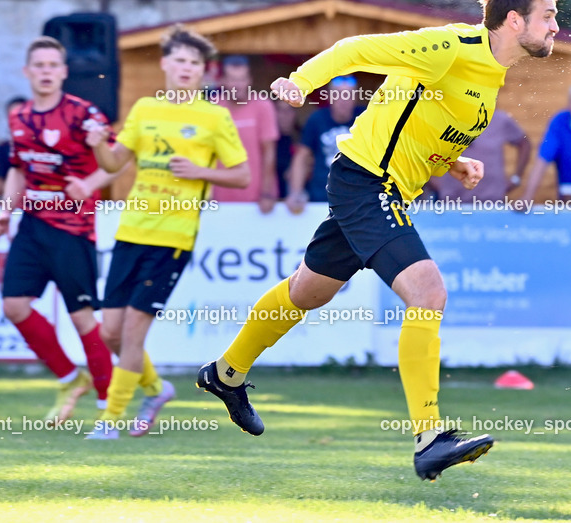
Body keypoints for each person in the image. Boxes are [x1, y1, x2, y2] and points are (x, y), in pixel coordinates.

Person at [196, 0, 561, 481]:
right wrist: (302, 84)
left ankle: (224, 374)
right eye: (548, 16)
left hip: (380, 186)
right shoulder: (451, 47)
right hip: (367, 183)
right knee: (428, 292)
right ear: (513, 21)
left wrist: (451, 161)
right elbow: (354, 50)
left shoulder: (493, 73)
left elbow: (420, 125)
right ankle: (430, 436)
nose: (555, 28)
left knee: (307, 293)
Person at [85, 25, 251, 439]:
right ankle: (156, 390)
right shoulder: (144, 109)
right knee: (110, 332)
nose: (185, 68)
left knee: (133, 332)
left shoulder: (214, 117)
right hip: (132, 230)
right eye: (178, 60)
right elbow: (113, 163)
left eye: (193, 63)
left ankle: (110, 422)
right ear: (164, 64)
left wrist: (201, 172)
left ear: (202, 71)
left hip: (173, 239)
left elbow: (242, 174)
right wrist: (96, 145)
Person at [0, 38, 116, 425]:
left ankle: (107, 403)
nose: (45, 71)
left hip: (73, 229)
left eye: (52, 65)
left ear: (63, 72)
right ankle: (68, 377)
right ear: (28, 72)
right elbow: (17, 168)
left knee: (81, 319)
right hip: (32, 225)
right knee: (13, 305)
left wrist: (90, 184)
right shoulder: (20, 117)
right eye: (38, 65)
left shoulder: (83, 113)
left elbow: (118, 160)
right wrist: (5, 211)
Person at [284, 75, 365, 213]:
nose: (343, 101)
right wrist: (296, 192)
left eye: (349, 95)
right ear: (330, 97)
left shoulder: (366, 119)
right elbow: (301, 157)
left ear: (355, 98)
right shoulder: (317, 119)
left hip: (358, 199)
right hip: (321, 198)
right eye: (339, 95)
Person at [212, 55, 279, 213]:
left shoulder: (263, 105)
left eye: (242, 79)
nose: (238, 85)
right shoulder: (212, 107)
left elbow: (269, 152)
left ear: (249, 80)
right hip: (219, 197)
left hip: (257, 198)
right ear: (222, 81)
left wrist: (267, 193)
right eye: (233, 80)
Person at [431, 108, 531, 203]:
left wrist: (515, 178)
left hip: (491, 202)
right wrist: (432, 182)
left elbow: (524, 144)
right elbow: (421, 149)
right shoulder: (444, 119)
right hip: (450, 202)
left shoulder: (499, 119)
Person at [0, 96, 27, 196]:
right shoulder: (3, 149)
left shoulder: (44, 146)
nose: (17, 121)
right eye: (12, 116)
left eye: (21, 115)